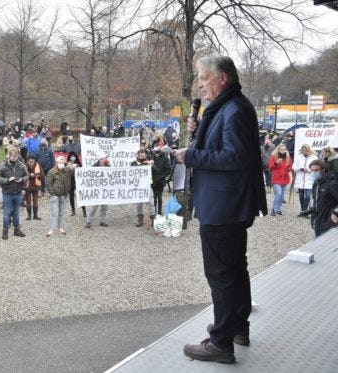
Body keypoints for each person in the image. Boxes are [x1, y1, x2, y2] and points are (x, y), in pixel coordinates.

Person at [174, 55, 267, 364]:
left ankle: (220, 343)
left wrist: (191, 155)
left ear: (222, 78)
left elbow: (234, 158)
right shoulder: (227, 107)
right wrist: (201, 129)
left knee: (221, 274)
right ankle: (236, 326)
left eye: (204, 78)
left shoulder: (234, 110)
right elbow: (222, 146)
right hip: (226, 205)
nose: (200, 85)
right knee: (235, 268)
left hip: (223, 206)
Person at [0, 148, 29, 239]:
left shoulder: (21, 165)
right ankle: (5, 231)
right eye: (13, 157)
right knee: (6, 213)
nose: (14, 158)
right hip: (7, 193)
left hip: (18, 193)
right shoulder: (2, 165)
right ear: (9, 156)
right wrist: (7, 180)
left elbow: (27, 176)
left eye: (16, 156)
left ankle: (17, 230)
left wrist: (22, 179)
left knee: (16, 212)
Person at [301, 159, 338, 237]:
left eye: (317, 170)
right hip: (317, 222)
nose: (314, 172)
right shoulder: (316, 183)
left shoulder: (331, 184)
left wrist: (335, 212)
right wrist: (310, 211)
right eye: (312, 170)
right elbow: (318, 201)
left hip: (329, 224)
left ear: (323, 170)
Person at [46, 156, 73, 237]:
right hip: (55, 195)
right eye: (59, 162)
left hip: (63, 195)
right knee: (54, 212)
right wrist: (52, 193)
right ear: (56, 163)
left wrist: (72, 165)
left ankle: (60, 227)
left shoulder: (67, 170)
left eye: (62, 163)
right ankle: (51, 229)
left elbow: (75, 170)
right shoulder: (52, 172)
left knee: (61, 212)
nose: (61, 164)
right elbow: (48, 183)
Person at [131, 149, 156, 227]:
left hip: (147, 185)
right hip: (138, 186)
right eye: (141, 156)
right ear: (138, 156)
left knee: (151, 202)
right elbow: (132, 171)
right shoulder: (134, 163)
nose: (142, 157)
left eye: (144, 156)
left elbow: (156, 171)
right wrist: (142, 165)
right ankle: (140, 219)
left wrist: (151, 164)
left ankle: (153, 218)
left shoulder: (148, 162)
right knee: (139, 203)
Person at [85, 154, 111, 228]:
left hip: (105, 189)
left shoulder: (108, 166)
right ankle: (89, 221)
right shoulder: (94, 167)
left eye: (106, 158)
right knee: (94, 206)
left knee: (104, 206)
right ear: (100, 160)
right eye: (104, 158)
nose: (106, 159)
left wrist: (108, 166)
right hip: (96, 189)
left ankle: (103, 221)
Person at [293, 144, 318, 215]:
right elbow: (294, 167)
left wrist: (309, 170)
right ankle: (303, 210)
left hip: (310, 178)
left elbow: (317, 168)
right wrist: (299, 169)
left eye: (306, 150)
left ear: (308, 150)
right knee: (301, 195)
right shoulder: (298, 157)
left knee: (307, 196)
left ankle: (305, 210)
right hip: (300, 178)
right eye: (303, 150)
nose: (304, 151)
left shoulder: (314, 157)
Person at [268, 144, 292, 216]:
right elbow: (270, 167)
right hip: (276, 177)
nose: (283, 150)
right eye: (281, 149)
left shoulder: (287, 157)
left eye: (284, 149)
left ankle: (279, 209)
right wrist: (276, 162)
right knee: (278, 193)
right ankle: (274, 209)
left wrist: (288, 169)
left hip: (284, 177)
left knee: (282, 195)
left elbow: (290, 166)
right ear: (278, 149)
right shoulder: (274, 157)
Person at [23, 155, 44, 220]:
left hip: (36, 186)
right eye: (30, 161)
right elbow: (22, 176)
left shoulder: (38, 166)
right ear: (28, 161)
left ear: (34, 161)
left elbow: (43, 175)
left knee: (35, 201)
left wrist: (38, 176)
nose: (31, 163)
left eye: (32, 161)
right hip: (27, 187)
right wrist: (30, 175)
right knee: (28, 201)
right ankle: (29, 215)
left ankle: (35, 215)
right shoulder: (24, 167)